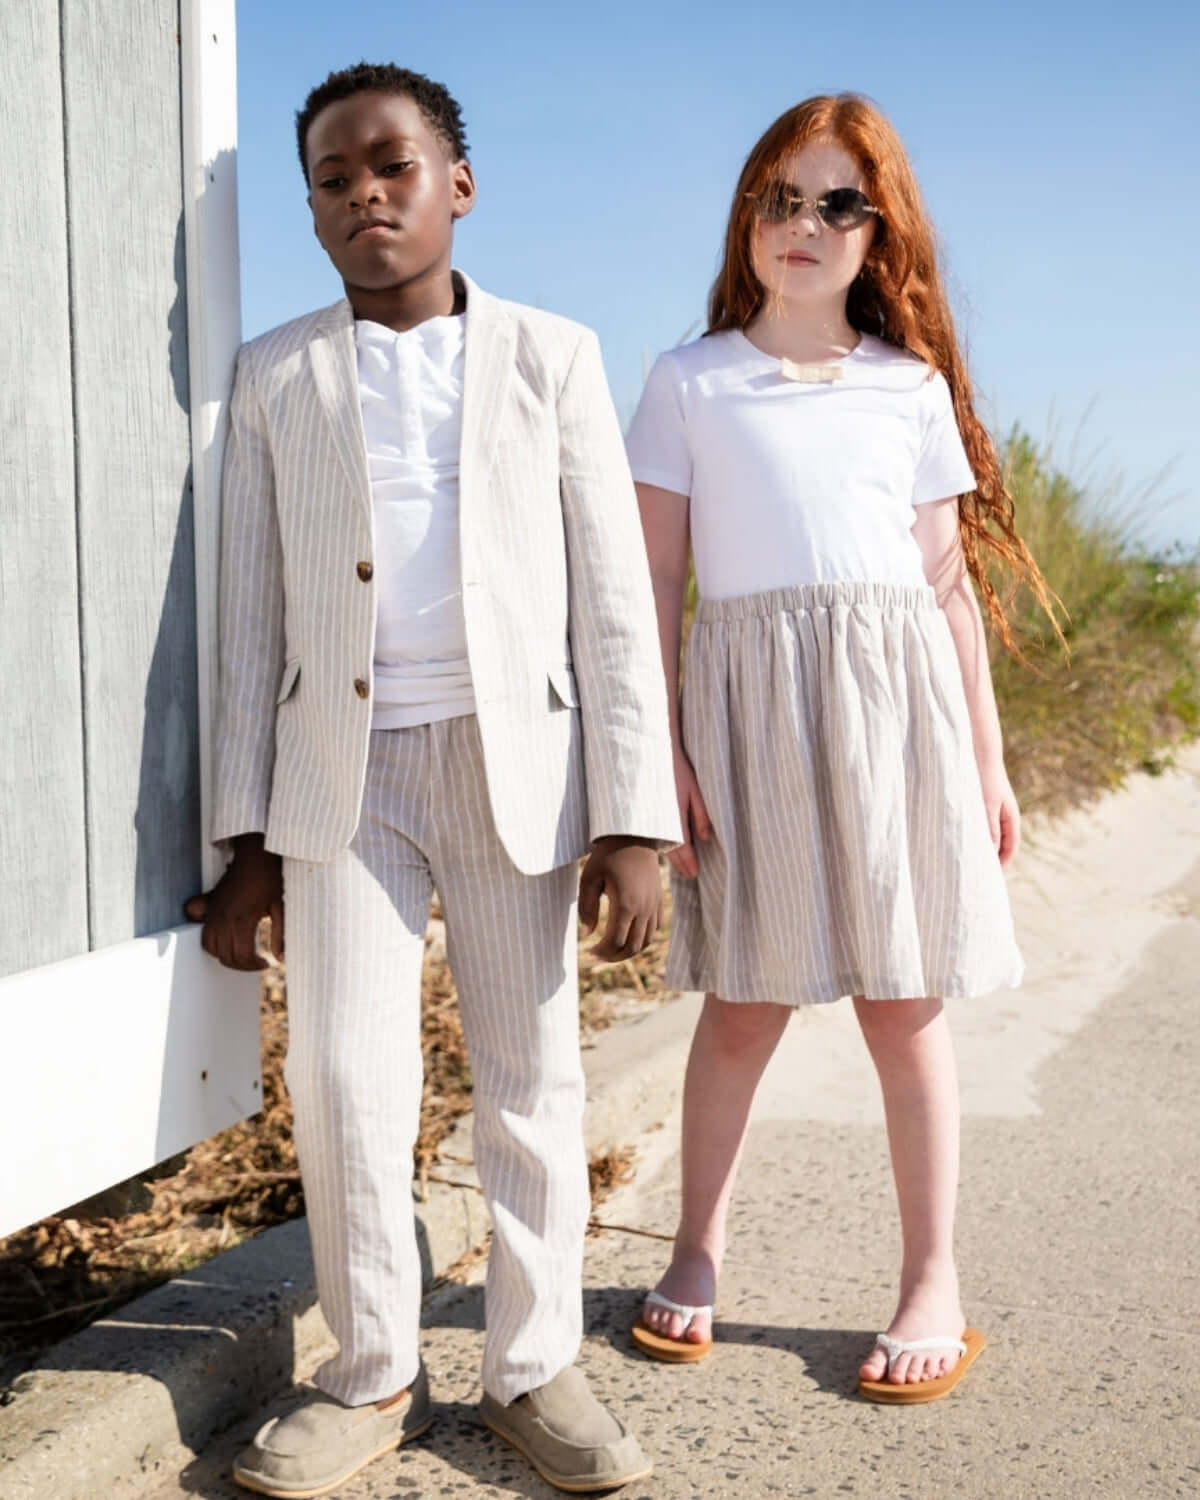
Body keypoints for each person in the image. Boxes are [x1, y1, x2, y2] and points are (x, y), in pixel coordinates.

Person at [184, 61, 679, 1496]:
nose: (366, 196)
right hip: (343, 783)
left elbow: (612, 601)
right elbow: (250, 619)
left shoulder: (553, 357)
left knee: (530, 1076)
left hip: (514, 764)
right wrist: (247, 839)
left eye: (392, 167)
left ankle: (532, 1367)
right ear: (312, 212)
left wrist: (632, 816)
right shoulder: (276, 374)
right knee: (347, 1078)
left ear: (457, 184)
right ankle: (370, 1375)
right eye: (333, 180)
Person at [625, 93, 1057, 1403]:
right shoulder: (689, 381)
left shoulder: (906, 389)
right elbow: (652, 586)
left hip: (898, 719)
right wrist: (660, 757)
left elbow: (946, 597)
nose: (802, 223)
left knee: (904, 1006)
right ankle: (696, 1250)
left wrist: (986, 761)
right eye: (780, 198)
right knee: (742, 1005)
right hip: (748, 715)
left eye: (836, 203)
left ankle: (933, 1280)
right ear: (747, 219)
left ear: (881, 233)